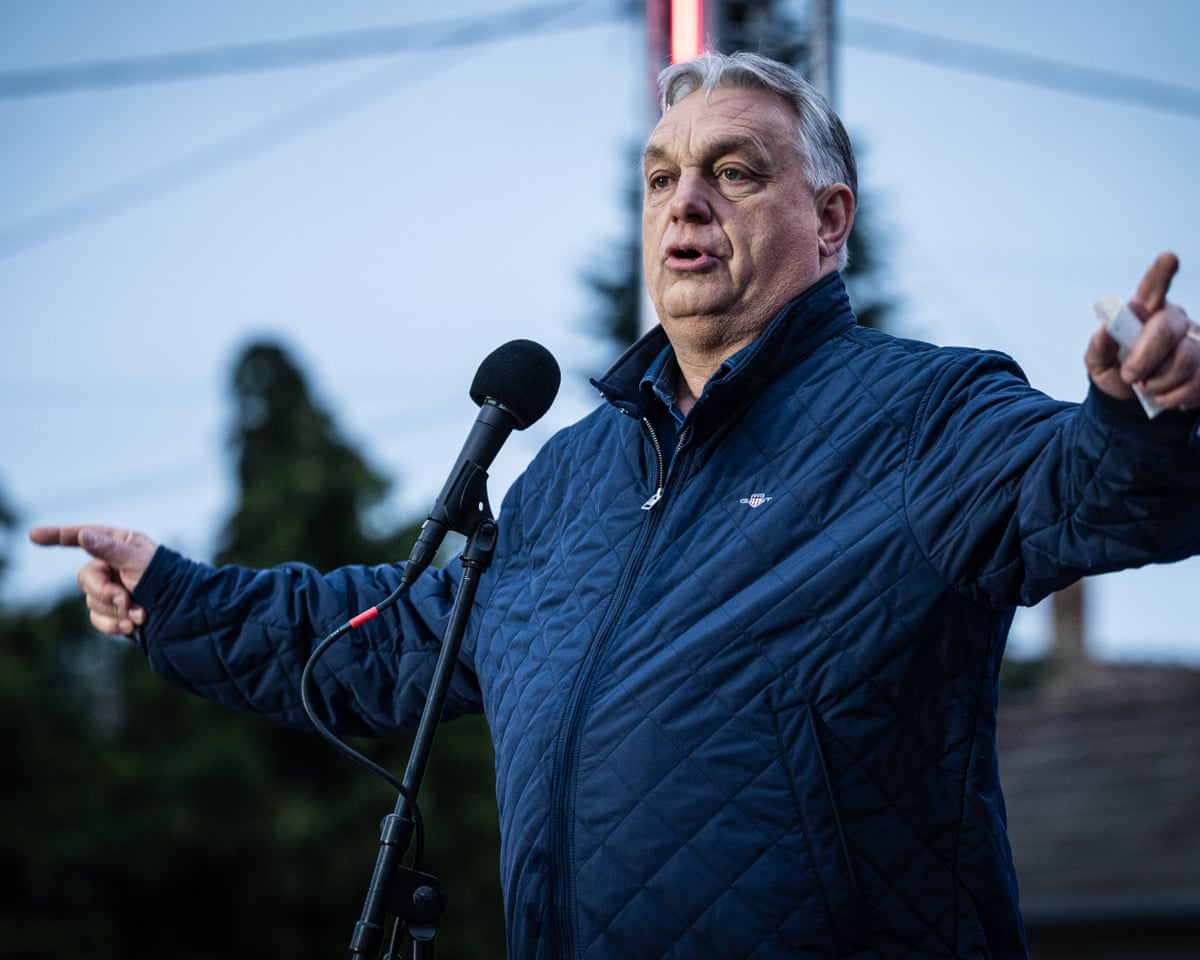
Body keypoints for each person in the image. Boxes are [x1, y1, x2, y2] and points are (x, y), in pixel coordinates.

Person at [31, 50, 1200, 959]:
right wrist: (172, 593)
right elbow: (386, 643)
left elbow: (1086, 493)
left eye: (734, 171)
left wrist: (1146, 418)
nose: (685, 202)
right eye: (660, 178)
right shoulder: (573, 477)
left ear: (832, 221)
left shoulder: (924, 413)